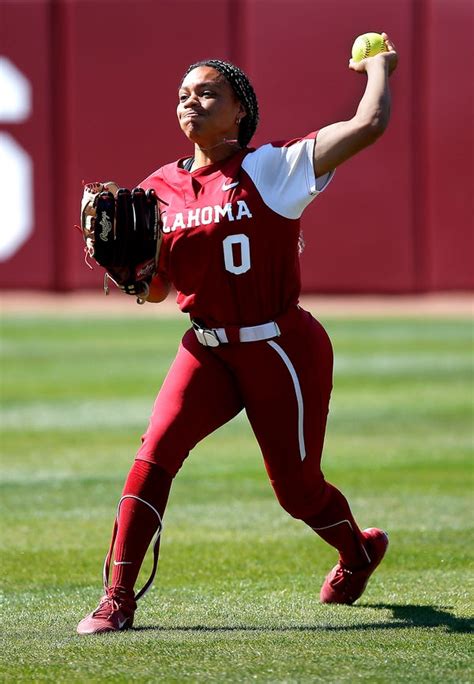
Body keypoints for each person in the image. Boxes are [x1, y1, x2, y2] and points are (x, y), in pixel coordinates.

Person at [77, 34, 398, 634]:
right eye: (183, 95)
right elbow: (158, 291)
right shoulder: (157, 189)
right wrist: (132, 275)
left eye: (208, 93)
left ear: (240, 110)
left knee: (299, 493)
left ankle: (358, 551)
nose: (190, 102)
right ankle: (116, 598)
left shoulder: (272, 167)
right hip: (207, 349)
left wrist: (379, 67)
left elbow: (369, 123)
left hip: (279, 347)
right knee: (153, 456)